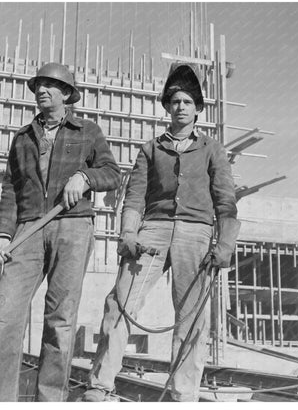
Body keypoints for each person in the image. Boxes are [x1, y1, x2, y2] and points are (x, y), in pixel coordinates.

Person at [82, 63, 240, 402]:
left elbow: (226, 201)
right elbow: (135, 196)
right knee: (119, 303)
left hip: (195, 234)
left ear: (198, 108)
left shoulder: (212, 149)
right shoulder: (150, 149)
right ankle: (100, 386)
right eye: (174, 101)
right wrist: (128, 233)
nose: (180, 107)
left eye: (187, 101)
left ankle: (184, 396)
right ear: (167, 107)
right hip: (152, 232)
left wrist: (225, 244)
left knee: (191, 319)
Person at [0, 62, 121, 402]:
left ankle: (50, 401)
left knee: (60, 319)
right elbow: (11, 189)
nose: (42, 90)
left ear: (67, 94)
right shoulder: (23, 138)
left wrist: (85, 177)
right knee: (4, 315)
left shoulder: (88, 131)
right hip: (27, 229)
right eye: (39, 85)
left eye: (50, 85)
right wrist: (2, 234)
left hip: (72, 227)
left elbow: (112, 173)